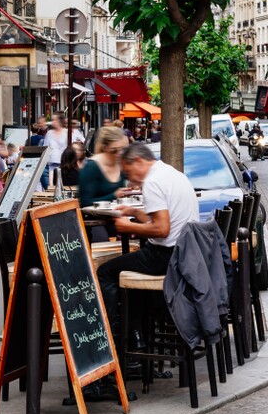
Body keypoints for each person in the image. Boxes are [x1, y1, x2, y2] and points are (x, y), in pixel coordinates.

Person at [96, 144, 200, 340]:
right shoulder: (173, 174)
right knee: (129, 269)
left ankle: (111, 339)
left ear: (137, 161)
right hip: (186, 254)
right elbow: (164, 222)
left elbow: (161, 229)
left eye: (128, 172)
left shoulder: (152, 182)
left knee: (106, 272)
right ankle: (137, 334)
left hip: (166, 257)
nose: (130, 179)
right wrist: (135, 213)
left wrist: (128, 227)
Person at [78, 127, 128, 208]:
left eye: (123, 149)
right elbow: (85, 203)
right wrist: (114, 196)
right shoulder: (91, 167)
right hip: (94, 218)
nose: (120, 153)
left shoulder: (121, 164)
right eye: (114, 150)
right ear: (105, 147)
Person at [42, 115, 69, 188]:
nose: (52, 122)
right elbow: (45, 146)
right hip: (51, 164)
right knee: (50, 186)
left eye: (54, 120)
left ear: (59, 121)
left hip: (64, 163)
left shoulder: (66, 132)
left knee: (62, 185)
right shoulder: (49, 133)